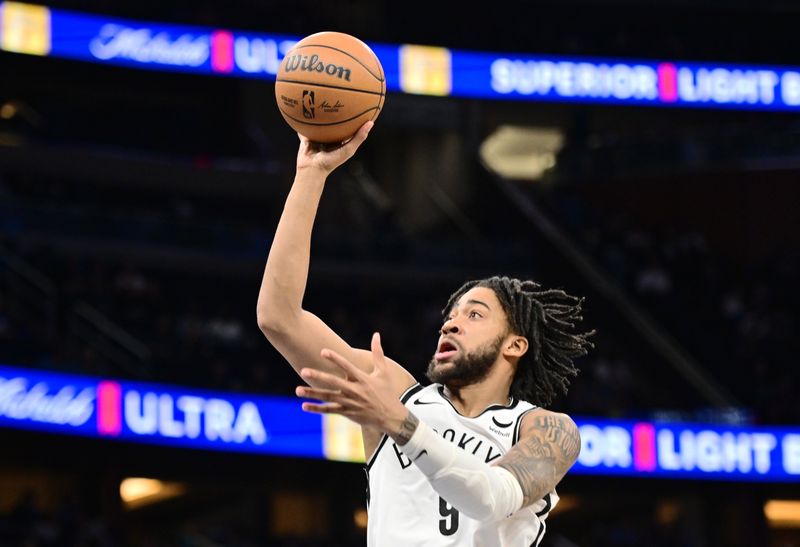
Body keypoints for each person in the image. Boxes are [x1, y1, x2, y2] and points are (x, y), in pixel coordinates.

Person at [256, 121, 594, 546]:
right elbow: (278, 317)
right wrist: (311, 174)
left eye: (475, 315)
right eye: (450, 315)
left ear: (515, 344)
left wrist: (398, 422)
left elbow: (489, 499)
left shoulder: (545, 428)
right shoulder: (396, 390)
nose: (451, 323)